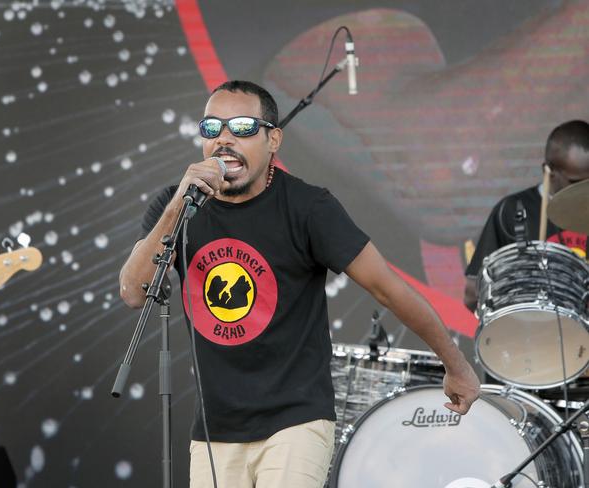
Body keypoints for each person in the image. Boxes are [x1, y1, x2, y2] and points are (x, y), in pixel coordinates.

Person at [119, 80, 480, 488]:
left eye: (240, 127)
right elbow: (134, 292)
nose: (224, 140)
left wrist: (456, 364)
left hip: (295, 420)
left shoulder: (309, 208)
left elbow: (388, 288)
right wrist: (178, 204)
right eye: (211, 128)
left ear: (273, 139)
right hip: (215, 428)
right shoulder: (178, 205)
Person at [464, 119, 589, 312]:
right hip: (532, 336)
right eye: (576, 182)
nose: (585, 190)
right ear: (549, 172)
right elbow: (474, 293)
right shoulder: (512, 212)